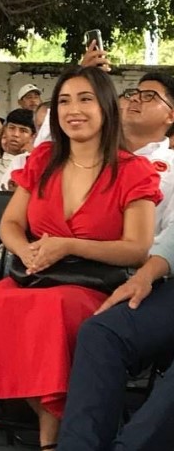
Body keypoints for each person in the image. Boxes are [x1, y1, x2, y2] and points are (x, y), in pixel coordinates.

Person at [0, 66, 161, 450]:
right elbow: (11, 223)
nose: (74, 109)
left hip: (97, 283)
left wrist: (68, 245)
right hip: (38, 275)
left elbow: (137, 248)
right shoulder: (44, 159)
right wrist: (27, 252)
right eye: (65, 101)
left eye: (86, 99)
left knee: (53, 312)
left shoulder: (133, 170)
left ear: (106, 107)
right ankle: (47, 419)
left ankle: (50, 440)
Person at [58, 72, 174, 451]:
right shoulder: (105, 155)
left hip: (119, 260)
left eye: (149, 96)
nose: (136, 101)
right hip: (160, 278)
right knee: (102, 332)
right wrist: (150, 272)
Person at [0, 109, 36, 187]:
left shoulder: (40, 166)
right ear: (4, 131)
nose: (16, 134)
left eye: (23, 130)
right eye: (11, 128)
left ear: (33, 137)